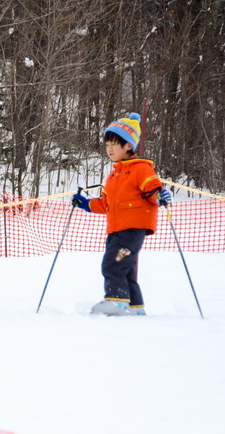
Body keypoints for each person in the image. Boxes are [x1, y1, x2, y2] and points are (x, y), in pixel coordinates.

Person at [71, 112, 172, 316]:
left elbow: (152, 188)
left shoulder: (140, 168)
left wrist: (159, 196)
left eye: (114, 145)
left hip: (132, 227)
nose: (109, 150)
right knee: (125, 268)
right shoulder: (114, 175)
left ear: (128, 146)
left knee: (112, 264)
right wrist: (85, 204)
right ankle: (135, 307)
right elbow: (106, 204)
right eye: (107, 146)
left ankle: (117, 301)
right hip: (117, 228)